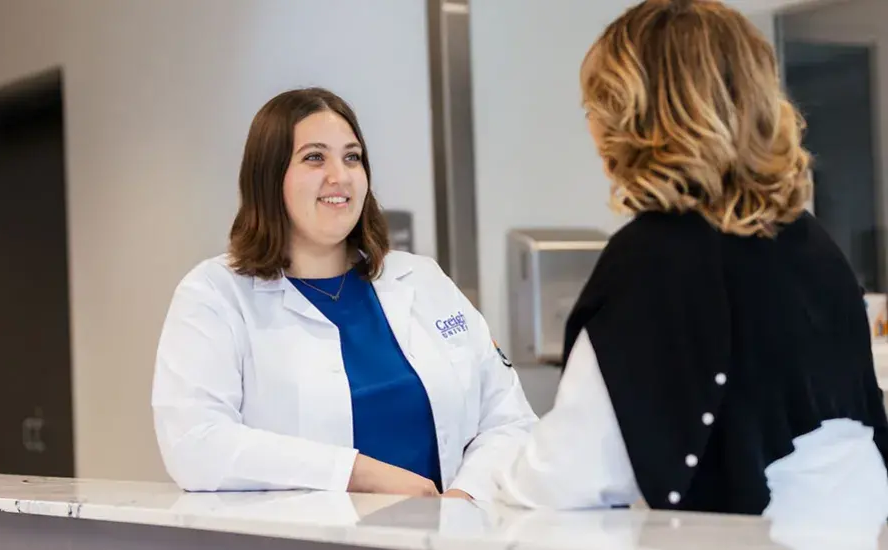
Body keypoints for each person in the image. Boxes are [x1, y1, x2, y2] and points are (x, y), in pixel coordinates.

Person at [495, 0, 888, 518]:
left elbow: (569, 480)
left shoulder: (655, 259)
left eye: (597, 106)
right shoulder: (811, 244)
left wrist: (490, 469)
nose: (593, 127)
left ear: (636, 119)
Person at [152, 87, 537, 500]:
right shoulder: (215, 295)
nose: (340, 175)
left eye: (352, 157)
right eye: (314, 157)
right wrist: (353, 472)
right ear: (268, 176)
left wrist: (465, 497)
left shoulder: (422, 280)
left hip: (443, 536)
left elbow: (509, 421)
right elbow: (195, 443)